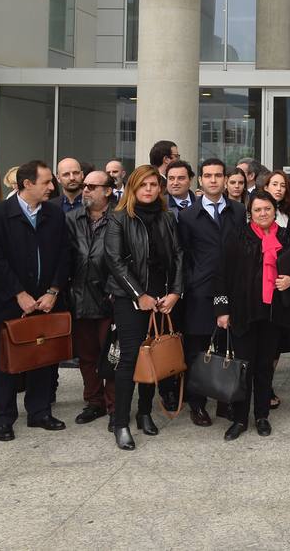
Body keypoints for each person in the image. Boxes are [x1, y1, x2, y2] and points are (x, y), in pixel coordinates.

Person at [0, 160, 70, 441]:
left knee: (43, 356)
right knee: (8, 359)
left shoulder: (54, 214)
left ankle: (40, 411)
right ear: (27, 184)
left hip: (46, 301)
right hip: (10, 301)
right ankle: (3, 417)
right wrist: (18, 293)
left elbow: (65, 254)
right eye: (46, 182)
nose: (52, 187)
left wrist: (53, 291)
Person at [214, 191, 290, 439]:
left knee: (265, 368)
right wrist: (222, 310)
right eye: (258, 210)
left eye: (267, 209)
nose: (263, 214)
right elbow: (221, 275)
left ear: (274, 210)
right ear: (250, 213)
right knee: (243, 368)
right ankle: (240, 419)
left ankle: (262, 415)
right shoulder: (237, 237)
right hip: (243, 313)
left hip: (274, 315)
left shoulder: (287, 237)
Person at [104, 164, 183, 450]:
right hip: (130, 298)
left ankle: (145, 412)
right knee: (129, 359)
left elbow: (177, 255)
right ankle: (121, 422)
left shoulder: (167, 217)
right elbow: (114, 261)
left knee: (154, 354)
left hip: (162, 298)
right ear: (132, 188)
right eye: (143, 185)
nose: (148, 190)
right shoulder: (119, 218)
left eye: (153, 185)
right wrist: (139, 295)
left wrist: (175, 292)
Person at [176, 158, 242, 426]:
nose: (213, 180)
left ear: (225, 179)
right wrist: (192, 280)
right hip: (200, 292)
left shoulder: (237, 210)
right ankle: (197, 404)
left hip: (231, 289)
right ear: (200, 180)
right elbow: (183, 253)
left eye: (218, 175)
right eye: (208, 175)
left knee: (229, 346)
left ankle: (226, 401)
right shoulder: (188, 214)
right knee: (199, 350)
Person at [66, 168, 115, 427]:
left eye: (92, 186)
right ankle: (94, 402)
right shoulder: (72, 218)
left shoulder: (120, 218)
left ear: (108, 191)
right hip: (79, 297)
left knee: (112, 355)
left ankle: (114, 404)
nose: (85, 189)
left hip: (110, 298)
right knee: (87, 356)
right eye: (85, 185)